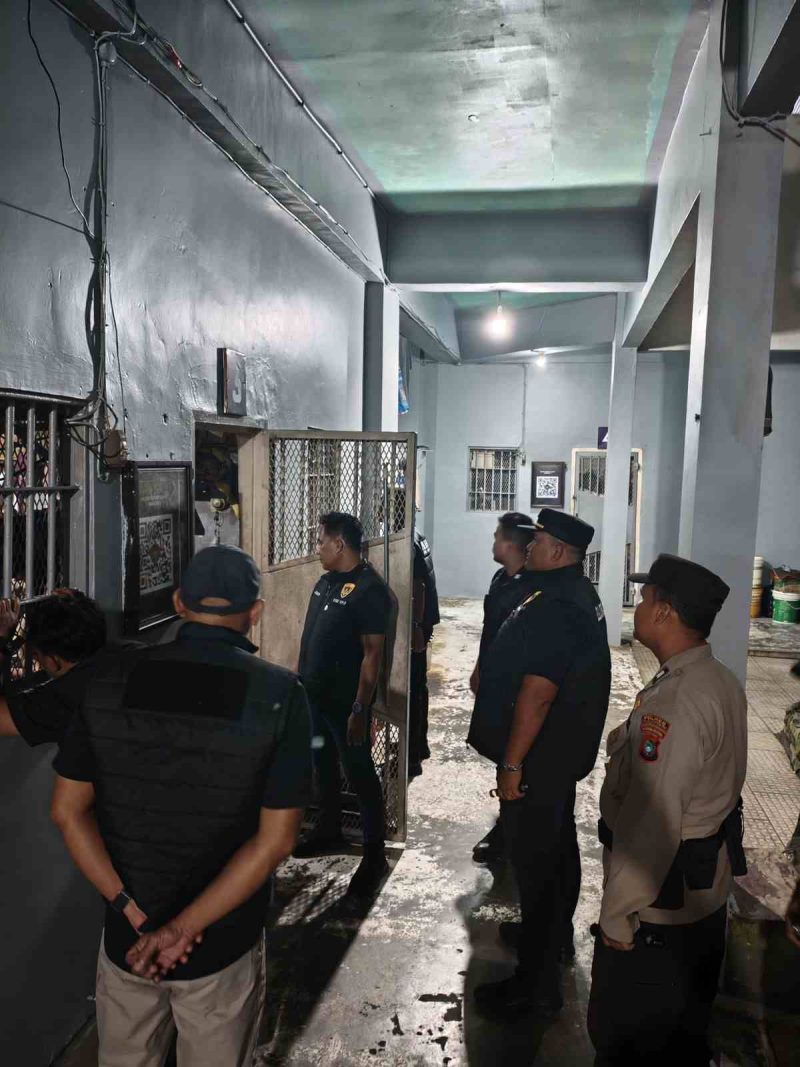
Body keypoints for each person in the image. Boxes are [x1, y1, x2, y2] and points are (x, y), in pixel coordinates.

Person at [50, 546, 312, 1067]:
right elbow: (276, 841)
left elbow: (66, 811)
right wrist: (183, 928)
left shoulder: (107, 681)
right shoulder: (280, 695)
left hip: (129, 940)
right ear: (255, 612)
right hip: (220, 946)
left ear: (178, 603)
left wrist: (130, 909)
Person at [588, 554, 748, 1065]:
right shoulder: (716, 679)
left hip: (659, 914)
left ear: (664, 612)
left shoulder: (676, 702)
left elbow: (652, 824)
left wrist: (618, 915)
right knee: (682, 1040)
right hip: (700, 899)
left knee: (627, 1043)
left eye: (645, 597)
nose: (636, 607)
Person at [468, 509, 611, 1021]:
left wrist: (511, 765)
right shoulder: (570, 592)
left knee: (536, 867)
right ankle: (547, 937)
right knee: (556, 852)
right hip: (554, 759)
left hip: (539, 760)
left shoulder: (558, 604)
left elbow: (539, 693)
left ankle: (535, 988)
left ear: (557, 551)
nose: (530, 544)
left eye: (540, 539)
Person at [294, 511, 392, 898]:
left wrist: (359, 710)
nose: (317, 547)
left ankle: (374, 854)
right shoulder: (325, 582)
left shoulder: (370, 591)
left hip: (345, 704)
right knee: (322, 764)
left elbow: (372, 655)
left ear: (339, 544)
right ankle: (328, 829)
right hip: (314, 697)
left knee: (360, 772)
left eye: (321, 541)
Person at [470, 512, 539, 863]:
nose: (493, 542)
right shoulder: (501, 579)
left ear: (511, 543)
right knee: (499, 751)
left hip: (516, 691)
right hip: (494, 683)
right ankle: (507, 823)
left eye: (497, 536)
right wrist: (479, 667)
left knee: (515, 758)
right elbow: (490, 630)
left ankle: (511, 834)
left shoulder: (533, 590)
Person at [0, 589, 107, 745]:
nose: (35, 658)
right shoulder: (123, 655)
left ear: (53, 660)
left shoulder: (64, 700)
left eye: (36, 654)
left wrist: (3, 642)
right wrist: (78, 605)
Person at [409, 527, 440, 778]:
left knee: (412, 690)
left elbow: (418, 585)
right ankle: (419, 745)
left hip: (417, 625)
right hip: (423, 620)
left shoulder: (407, 540)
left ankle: (411, 757)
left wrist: (415, 627)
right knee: (418, 687)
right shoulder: (416, 534)